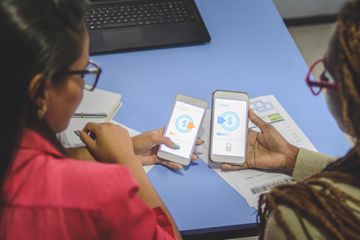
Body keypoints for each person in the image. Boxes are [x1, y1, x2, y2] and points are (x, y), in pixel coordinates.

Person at [0, 0, 200, 239]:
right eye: (82, 73)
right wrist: (126, 163)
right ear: (40, 90)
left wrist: (119, 151)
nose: (85, 87)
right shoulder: (97, 195)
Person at [222, 1, 360, 239]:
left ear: (347, 98)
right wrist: (292, 158)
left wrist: (133, 167)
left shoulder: (305, 219)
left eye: (327, 74)